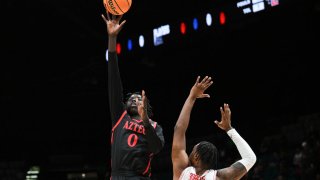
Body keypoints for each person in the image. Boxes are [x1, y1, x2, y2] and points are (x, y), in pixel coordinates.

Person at [101, 13, 165, 179]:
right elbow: (114, 79)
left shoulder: (154, 126)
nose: (133, 100)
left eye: (138, 98)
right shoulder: (120, 117)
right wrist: (112, 39)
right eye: (130, 98)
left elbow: (156, 148)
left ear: (146, 106)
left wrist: (145, 123)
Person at [172, 76, 256, 180]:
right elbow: (250, 158)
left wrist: (192, 97)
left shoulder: (182, 170)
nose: (190, 154)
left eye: (192, 151)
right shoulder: (219, 177)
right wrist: (229, 129)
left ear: (196, 156)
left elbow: (179, 129)